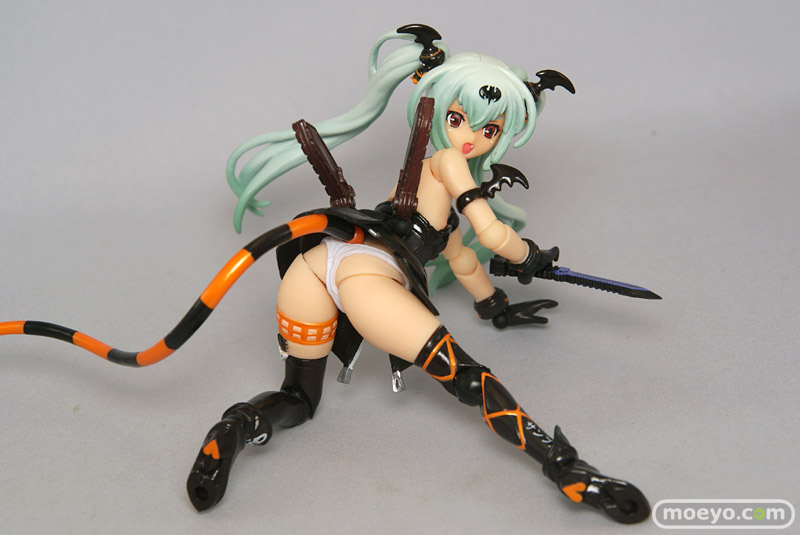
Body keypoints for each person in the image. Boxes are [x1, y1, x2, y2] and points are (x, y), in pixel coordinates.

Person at [187, 25, 650, 524]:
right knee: (470, 380)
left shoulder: (427, 202)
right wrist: (530, 256)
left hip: (315, 266)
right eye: (458, 119)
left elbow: (462, 258)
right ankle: (570, 471)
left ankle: (237, 426)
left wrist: (494, 305)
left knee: (297, 398)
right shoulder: (447, 162)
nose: (470, 138)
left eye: (490, 130)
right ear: (439, 113)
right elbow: (492, 234)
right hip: (367, 277)